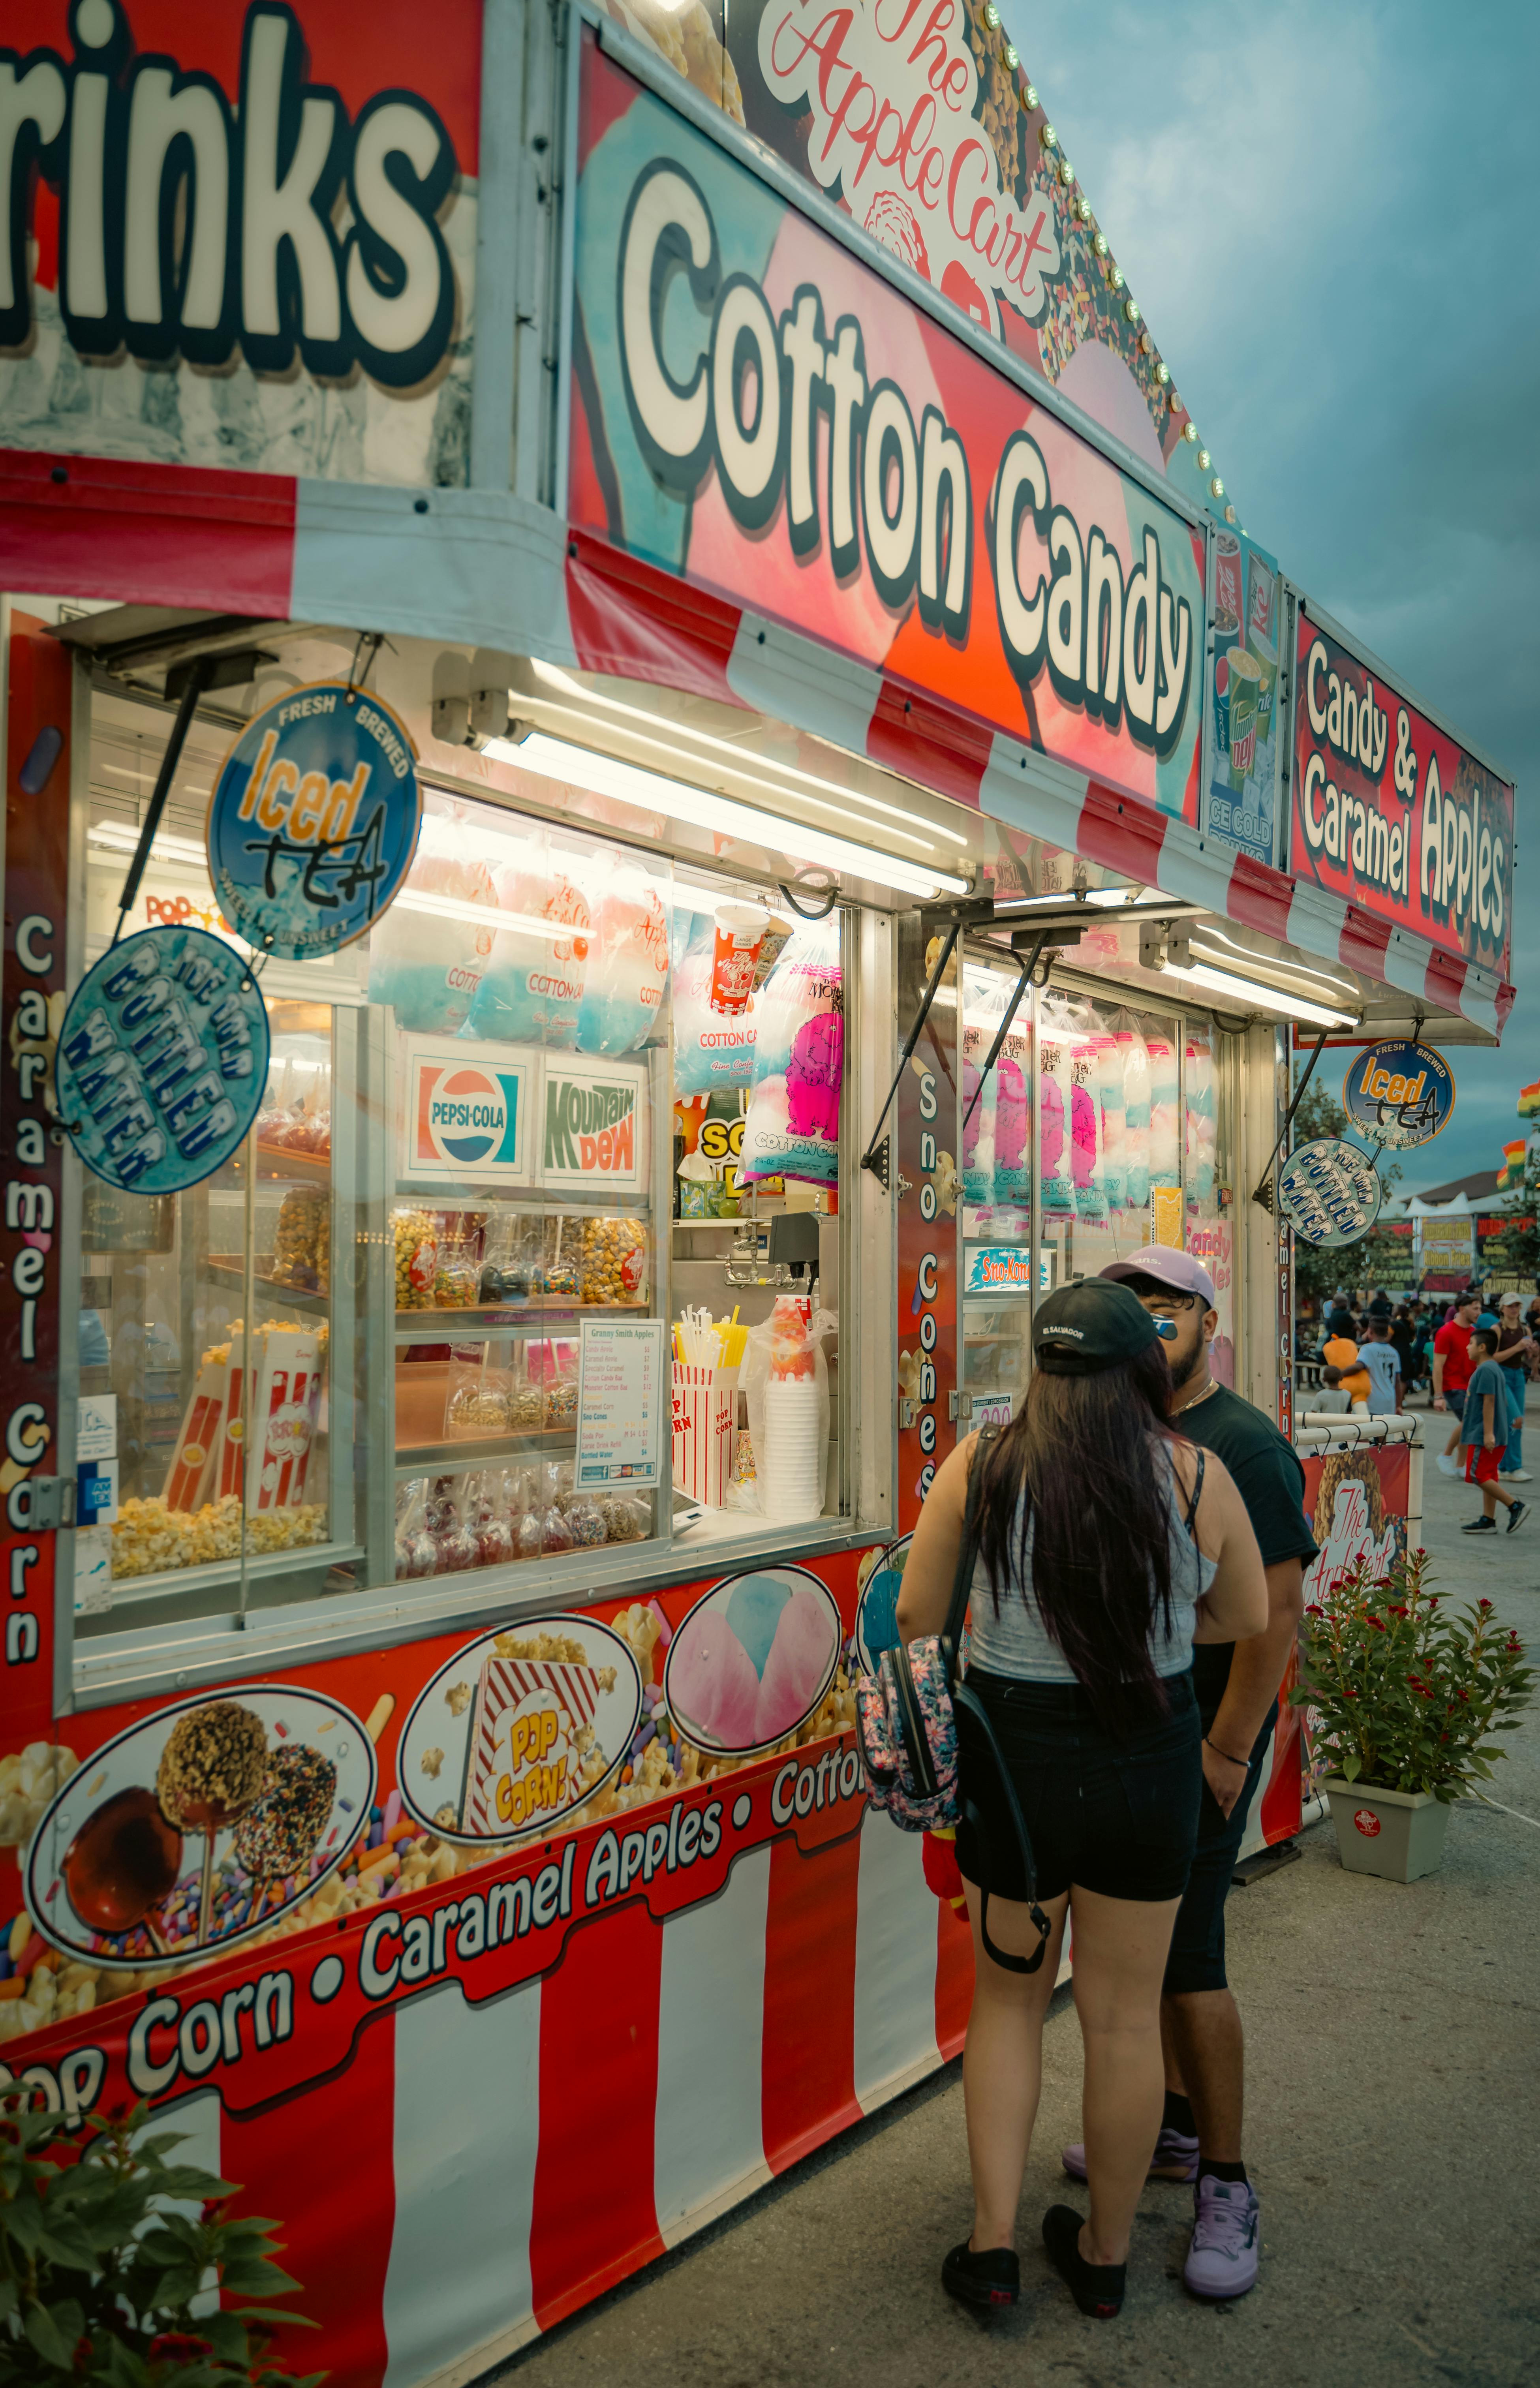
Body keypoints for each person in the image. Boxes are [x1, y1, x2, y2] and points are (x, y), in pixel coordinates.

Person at [896, 1279, 1267, 2322]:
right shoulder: (1195, 1473)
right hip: (1149, 1766)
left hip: (1015, 1774)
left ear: (1041, 1365)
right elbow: (1238, 1613)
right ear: (1140, 1371)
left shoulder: (984, 1463)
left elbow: (921, 1611)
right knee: (1119, 2022)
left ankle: (991, 2248)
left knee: (1007, 2005)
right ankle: (1103, 2257)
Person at [1064, 1248, 1318, 2302]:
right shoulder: (1135, 1429)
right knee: (1155, 1954)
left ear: (1206, 1319)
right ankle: (1169, 2130)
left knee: (1194, 1960)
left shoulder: (1243, 1446)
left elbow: (1277, 1620)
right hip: (1140, 1738)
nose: (1149, 1325)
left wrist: (1225, 1750)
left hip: (1201, 1741)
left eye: (1165, 1308)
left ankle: (1226, 2181)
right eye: (1130, 1309)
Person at [1459, 1325, 1527, 1534]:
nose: (1467, 1347)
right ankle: (1488, 1519)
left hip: (1484, 1434)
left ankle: (1515, 1506)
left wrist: (1488, 1434)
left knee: (1478, 1475)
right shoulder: (1492, 1367)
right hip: (1490, 1432)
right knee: (1489, 1475)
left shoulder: (1487, 1370)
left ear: (1482, 1347)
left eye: (1471, 1344)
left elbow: (1490, 1402)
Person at [1433, 1291, 1480, 1476]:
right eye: (1475, 1308)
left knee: (1467, 1424)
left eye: (1480, 1308)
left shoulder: (1474, 1333)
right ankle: (1445, 1455)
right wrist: (1439, 1396)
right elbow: (1438, 1366)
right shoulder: (1446, 1332)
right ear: (1462, 1309)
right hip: (1453, 1386)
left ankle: (1461, 1466)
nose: (1479, 1312)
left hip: (1470, 1386)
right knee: (1470, 1421)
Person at [1493, 1294, 1534, 1481]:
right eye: (1510, 1306)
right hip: (1502, 1375)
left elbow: (1529, 1359)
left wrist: (1532, 1352)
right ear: (1502, 1308)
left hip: (1518, 1375)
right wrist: (1518, 1348)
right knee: (1515, 1419)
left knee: (1516, 1422)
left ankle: (1505, 1467)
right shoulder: (1497, 1330)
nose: (1514, 1309)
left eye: (1517, 1305)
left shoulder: (1525, 1329)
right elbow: (1493, 1358)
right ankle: (1514, 1467)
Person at [1321, 1318, 1370, 1412]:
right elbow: (1359, 1367)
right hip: (1362, 1387)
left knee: (1342, 1414)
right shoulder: (1352, 1344)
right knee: (1363, 1415)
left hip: (1344, 1385)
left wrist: (1339, 1374)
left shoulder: (1324, 1394)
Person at [1358, 1314, 1403, 1416]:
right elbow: (1398, 1382)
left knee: (1372, 1430)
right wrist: (1399, 1405)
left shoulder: (1367, 1349)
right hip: (1390, 1401)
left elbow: (1359, 1366)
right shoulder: (1394, 1352)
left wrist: (1342, 1373)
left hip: (1373, 1401)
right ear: (1387, 1333)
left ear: (1370, 1332)